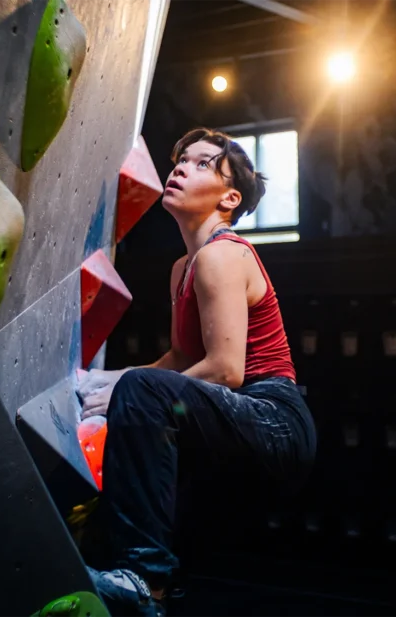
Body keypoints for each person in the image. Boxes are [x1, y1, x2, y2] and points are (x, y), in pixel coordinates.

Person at [78, 128, 316, 616]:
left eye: (202, 163)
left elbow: (226, 371)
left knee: (142, 391)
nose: (180, 167)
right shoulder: (182, 266)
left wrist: (128, 386)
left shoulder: (222, 255)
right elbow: (182, 360)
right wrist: (94, 381)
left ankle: (144, 576)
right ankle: (151, 585)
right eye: (181, 160)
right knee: (140, 390)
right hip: (238, 411)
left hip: (274, 417)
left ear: (230, 198)